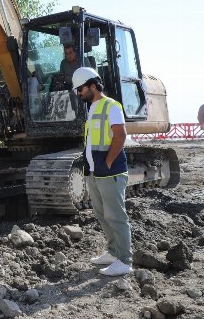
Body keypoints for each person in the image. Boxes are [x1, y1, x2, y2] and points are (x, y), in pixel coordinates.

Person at [72, 67, 133, 276]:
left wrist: (107, 162)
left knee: (116, 215)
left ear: (92, 85)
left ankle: (125, 260)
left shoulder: (111, 106)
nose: (78, 93)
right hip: (94, 170)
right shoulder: (92, 108)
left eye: (80, 89)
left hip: (109, 171)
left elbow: (120, 135)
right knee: (101, 213)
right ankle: (113, 251)